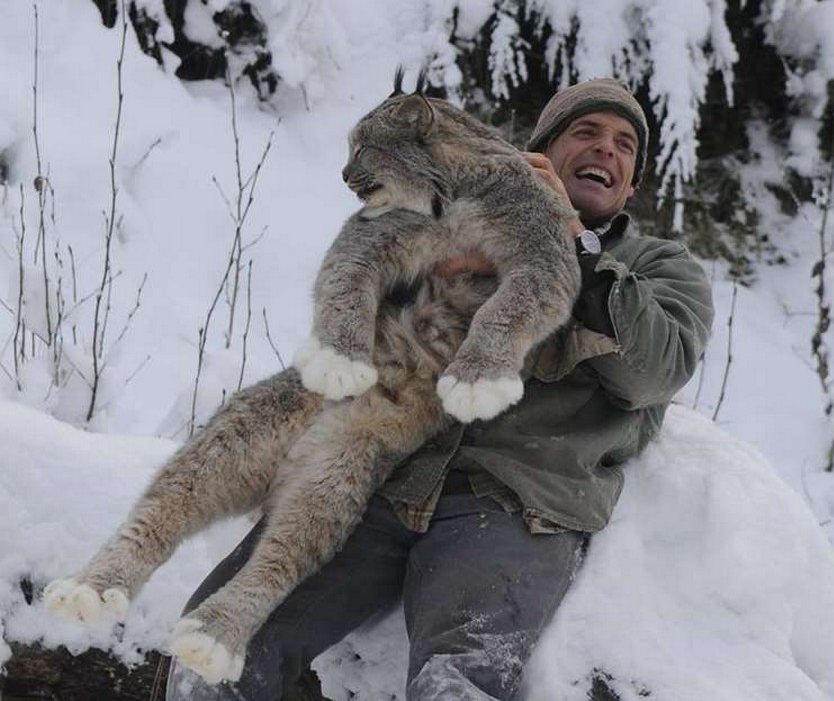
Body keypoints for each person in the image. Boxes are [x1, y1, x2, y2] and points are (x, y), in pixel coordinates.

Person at [166, 78, 714, 701]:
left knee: (460, 681)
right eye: (585, 133)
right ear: (537, 153)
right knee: (216, 639)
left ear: (632, 184)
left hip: (514, 502)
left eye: (623, 145)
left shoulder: (660, 268)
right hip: (381, 480)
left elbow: (654, 371)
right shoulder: (453, 223)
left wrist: (575, 249)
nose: (605, 151)